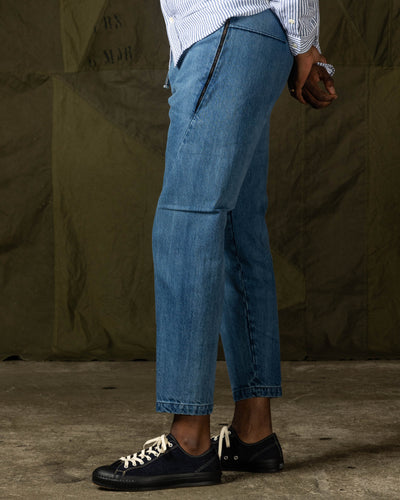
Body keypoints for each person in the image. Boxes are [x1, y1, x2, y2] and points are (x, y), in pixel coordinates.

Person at [92, 0, 337, 491]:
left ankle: (189, 441)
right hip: (242, 35)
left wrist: (304, 39)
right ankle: (253, 433)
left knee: (186, 226)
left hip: (227, 26)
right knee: (236, 230)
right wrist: (298, 40)